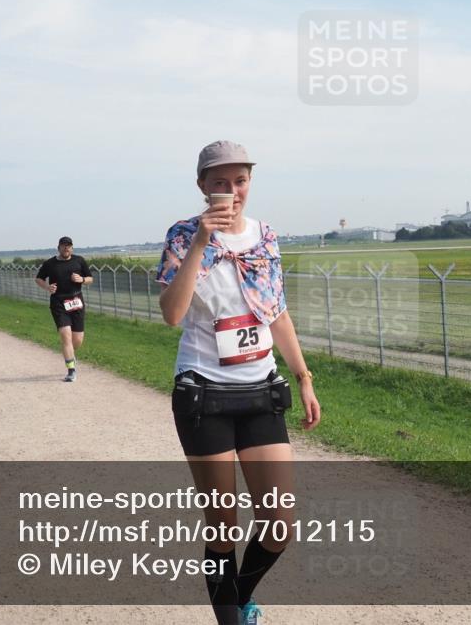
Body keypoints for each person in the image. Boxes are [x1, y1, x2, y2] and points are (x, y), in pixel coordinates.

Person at [157, 141, 321, 625]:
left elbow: (276, 310)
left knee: (279, 525)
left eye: (241, 180)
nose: (232, 191)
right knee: (223, 526)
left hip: (260, 392)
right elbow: (172, 314)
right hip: (203, 393)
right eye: (220, 182)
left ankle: (235, 598)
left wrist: (304, 377)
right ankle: (230, 618)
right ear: (202, 186)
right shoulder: (183, 235)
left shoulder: (266, 237)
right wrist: (203, 245)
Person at [35, 237, 93, 382]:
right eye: (63, 246)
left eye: (69, 246)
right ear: (59, 248)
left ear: (72, 248)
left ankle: (70, 354)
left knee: (77, 340)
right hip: (58, 302)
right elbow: (38, 278)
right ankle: (71, 370)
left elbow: (90, 278)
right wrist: (47, 287)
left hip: (76, 301)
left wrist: (82, 280)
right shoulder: (50, 263)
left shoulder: (79, 261)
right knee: (65, 335)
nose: (66, 248)